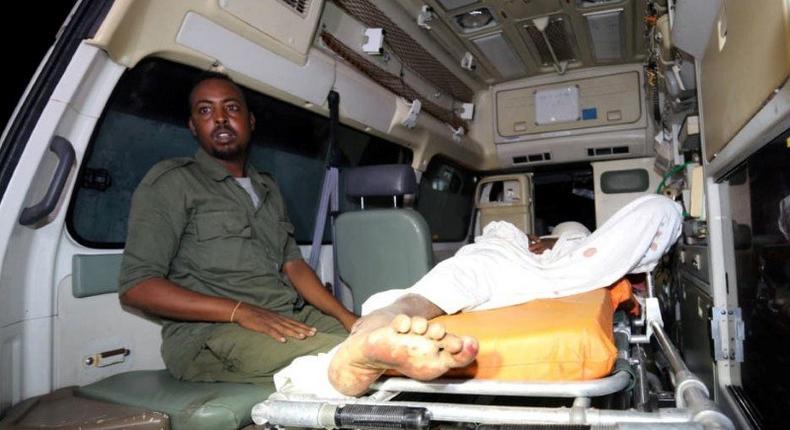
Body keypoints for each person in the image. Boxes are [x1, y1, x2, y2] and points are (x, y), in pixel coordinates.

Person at [272, 194, 683, 397]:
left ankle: (377, 328)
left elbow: (601, 240)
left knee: (435, 289)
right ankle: (369, 344)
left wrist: (569, 240)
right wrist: (532, 243)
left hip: (550, 267)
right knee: (462, 272)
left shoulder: (576, 237)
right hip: (519, 262)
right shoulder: (514, 237)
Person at [118, 72, 357, 383]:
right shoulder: (173, 182)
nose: (219, 118)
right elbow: (136, 288)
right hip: (212, 335)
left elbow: (293, 265)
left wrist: (348, 317)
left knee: (376, 338)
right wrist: (240, 311)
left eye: (231, 108)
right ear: (193, 126)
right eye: (205, 110)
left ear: (250, 120)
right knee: (355, 359)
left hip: (288, 316)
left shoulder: (267, 188)